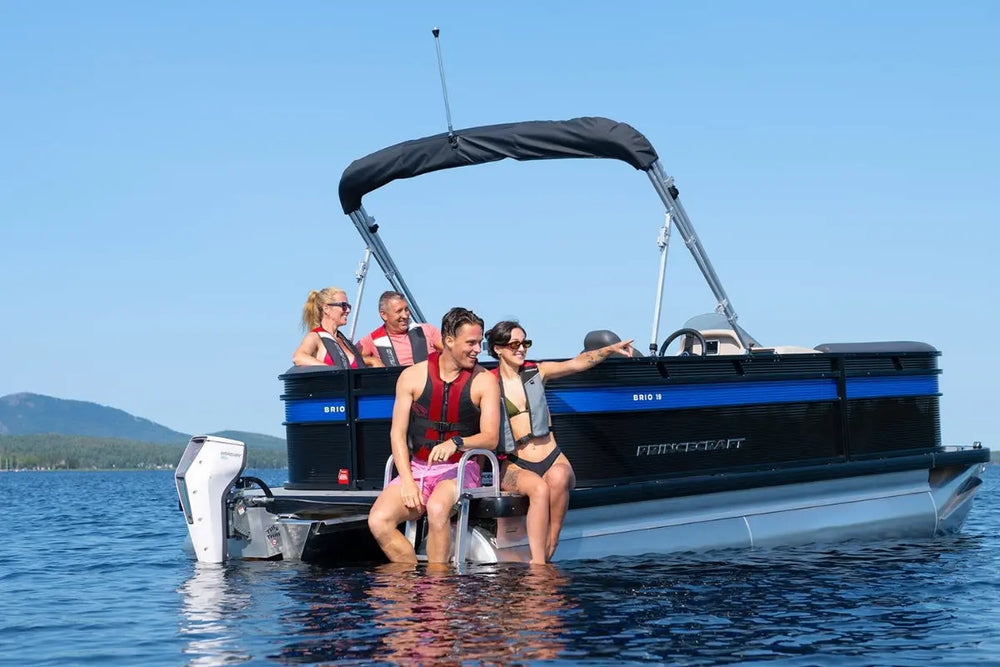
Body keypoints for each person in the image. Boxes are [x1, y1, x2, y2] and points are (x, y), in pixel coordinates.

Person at [485, 321, 633, 564]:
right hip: (516, 462)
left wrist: (609, 350)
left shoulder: (537, 372)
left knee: (558, 478)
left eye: (525, 343)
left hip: (551, 454)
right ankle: (538, 562)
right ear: (498, 349)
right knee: (539, 489)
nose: (521, 349)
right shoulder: (487, 383)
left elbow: (577, 363)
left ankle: (553, 541)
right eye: (514, 344)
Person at [367, 307, 500, 564]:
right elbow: (397, 433)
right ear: (448, 340)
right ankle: (411, 580)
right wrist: (406, 480)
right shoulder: (411, 377)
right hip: (418, 469)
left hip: (463, 469)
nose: (477, 349)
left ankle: (436, 591)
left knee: (437, 508)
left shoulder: (484, 381)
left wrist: (457, 442)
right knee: (378, 520)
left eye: (479, 342)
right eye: (470, 343)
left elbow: (491, 438)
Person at [358, 291, 443, 367]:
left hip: (428, 381)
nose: (405, 315)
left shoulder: (427, 330)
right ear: (384, 315)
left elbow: (452, 350)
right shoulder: (372, 339)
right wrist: (372, 360)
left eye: (406, 310)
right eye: (399, 311)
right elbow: (349, 358)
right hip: (394, 382)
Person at [292, 286, 362, 368]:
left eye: (348, 306)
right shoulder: (315, 336)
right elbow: (298, 357)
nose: (348, 310)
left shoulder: (344, 342)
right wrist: (330, 370)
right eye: (343, 306)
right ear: (326, 308)